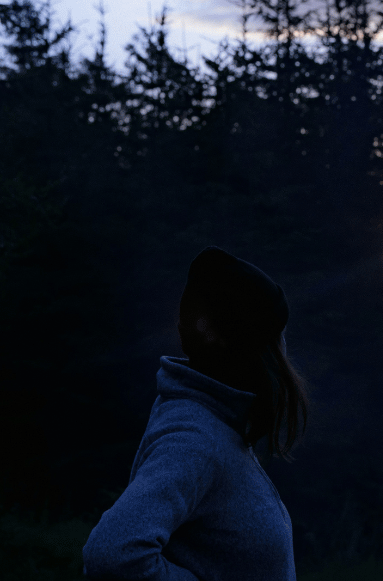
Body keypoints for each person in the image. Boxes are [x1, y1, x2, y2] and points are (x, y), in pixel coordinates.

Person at [83, 246, 309, 581]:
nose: (283, 356)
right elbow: (112, 555)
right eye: (275, 339)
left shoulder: (216, 426)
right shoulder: (197, 441)